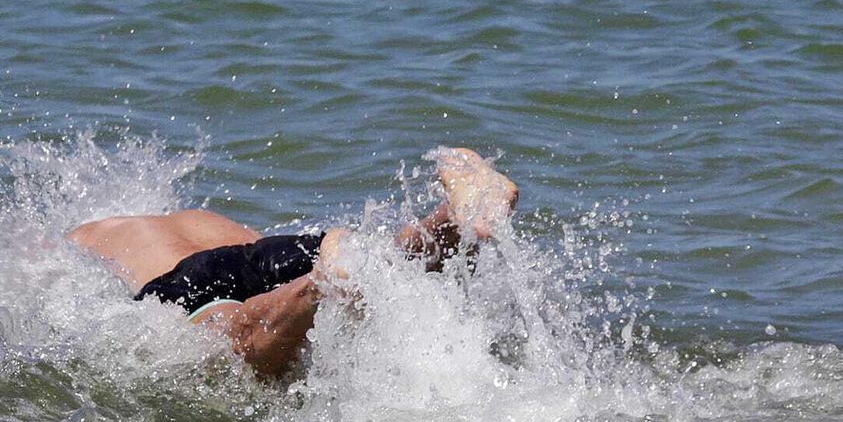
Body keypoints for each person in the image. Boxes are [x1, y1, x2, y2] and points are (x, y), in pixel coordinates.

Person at [67, 147, 518, 376]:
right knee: (389, 265)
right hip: (273, 251)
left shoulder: (88, 234)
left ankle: (323, 284)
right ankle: (453, 216)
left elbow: (46, 281)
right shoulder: (202, 218)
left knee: (242, 341)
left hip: (190, 282)